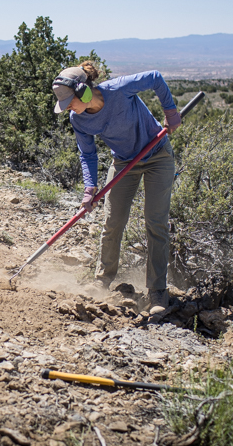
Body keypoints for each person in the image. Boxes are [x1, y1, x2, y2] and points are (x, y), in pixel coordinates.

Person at [51, 61, 181, 314]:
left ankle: (157, 291)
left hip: (157, 155)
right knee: (113, 221)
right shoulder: (78, 120)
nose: (70, 109)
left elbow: (154, 77)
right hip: (124, 162)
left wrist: (171, 112)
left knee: (155, 222)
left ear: (84, 92)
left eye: (71, 102)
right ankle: (102, 280)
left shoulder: (118, 90)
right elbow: (87, 154)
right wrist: (90, 189)